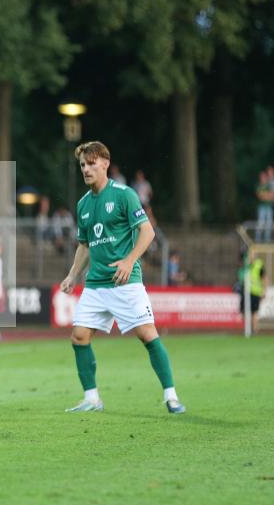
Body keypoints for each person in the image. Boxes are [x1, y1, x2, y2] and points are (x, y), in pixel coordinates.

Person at [60, 141, 186, 414]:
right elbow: (84, 245)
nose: (86, 168)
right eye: (82, 164)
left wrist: (130, 261)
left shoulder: (124, 195)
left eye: (91, 163)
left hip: (124, 282)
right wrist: (72, 275)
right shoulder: (82, 204)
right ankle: (92, 399)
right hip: (95, 284)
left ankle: (171, 396)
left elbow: (147, 232)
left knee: (147, 336)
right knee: (79, 336)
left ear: (105, 163)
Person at [238, 252, 266, 334]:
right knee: (244, 311)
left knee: (254, 311)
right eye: (250, 255)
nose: (251, 256)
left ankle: (255, 330)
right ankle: (248, 329)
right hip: (245, 292)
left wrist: (264, 291)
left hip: (255, 292)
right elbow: (240, 276)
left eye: (252, 255)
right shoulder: (245, 265)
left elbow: (264, 278)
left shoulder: (259, 265)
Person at [255, 170, 274, 243]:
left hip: (269, 208)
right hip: (262, 208)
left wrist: (265, 195)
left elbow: (273, 195)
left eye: (264, 177)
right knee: (260, 224)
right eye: (262, 177)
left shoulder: (269, 186)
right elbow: (260, 196)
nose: (263, 178)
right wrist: (268, 195)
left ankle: (266, 242)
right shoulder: (258, 186)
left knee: (268, 226)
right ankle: (258, 241)